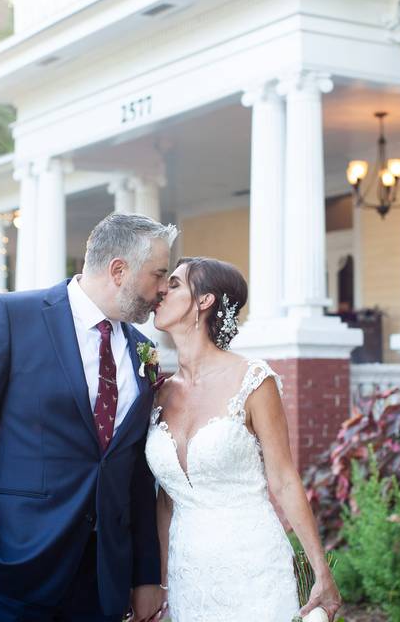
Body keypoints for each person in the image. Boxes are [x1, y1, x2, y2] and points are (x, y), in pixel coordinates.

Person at [0, 213, 177, 622]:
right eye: (158, 274)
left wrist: (144, 575)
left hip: (101, 581)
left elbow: (137, 472)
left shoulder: (142, 350)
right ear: (119, 270)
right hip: (12, 568)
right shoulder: (10, 317)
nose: (163, 289)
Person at [145, 256, 342, 621]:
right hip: (187, 573)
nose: (160, 291)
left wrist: (321, 571)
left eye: (173, 284)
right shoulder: (160, 392)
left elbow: (283, 480)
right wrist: (160, 583)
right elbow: (166, 501)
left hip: (253, 568)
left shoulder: (253, 381)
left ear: (204, 301)